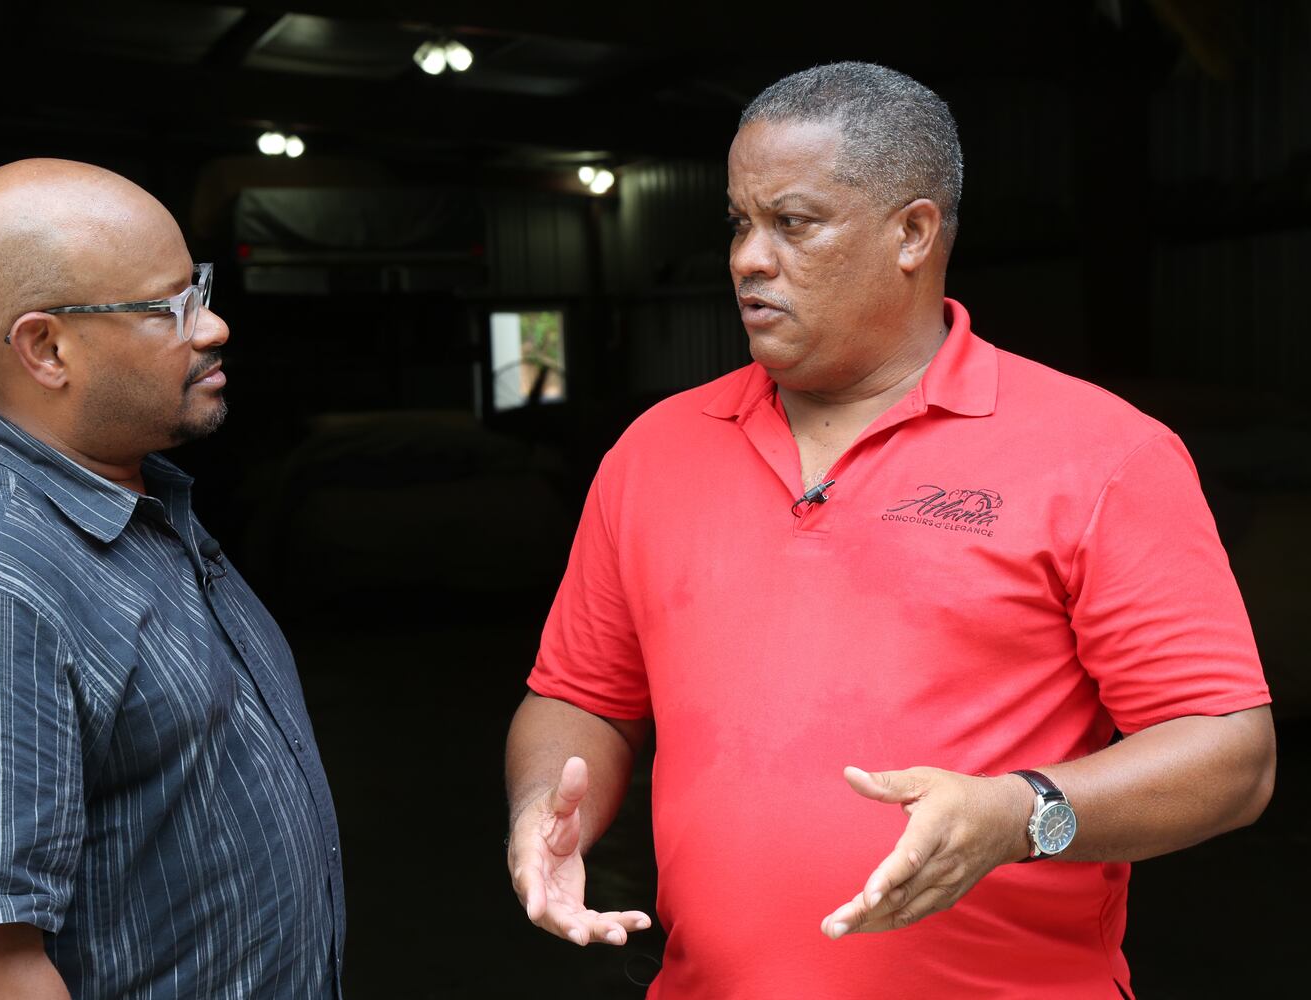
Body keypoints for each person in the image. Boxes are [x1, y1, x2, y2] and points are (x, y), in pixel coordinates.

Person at [504, 62, 1275, 999]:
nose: (749, 258)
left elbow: (1231, 758)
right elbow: (583, 697)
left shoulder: (1103, 454)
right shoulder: (655, 451)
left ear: (913, 232)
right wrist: (546, 809)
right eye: (740, 224)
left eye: (793, 224)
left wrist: (1019, 814)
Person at [0, 159, 344, 1000]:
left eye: (200, 289)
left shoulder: (134, 502)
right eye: (169, 307)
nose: (212, 327)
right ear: (46, 348)